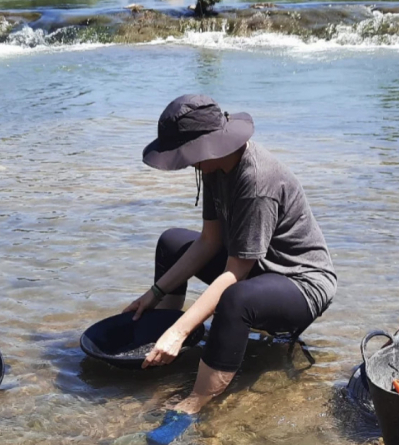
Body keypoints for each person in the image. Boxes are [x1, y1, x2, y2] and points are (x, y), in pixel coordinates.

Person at [125, 94, 337, 445]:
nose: (185, 165)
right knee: (172, 243)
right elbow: (209, 241)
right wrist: (154, 294)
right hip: (257, 268)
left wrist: (181, 330)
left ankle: (195, 402)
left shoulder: (256, 181)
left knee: (236, 300)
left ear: (205, 146)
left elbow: (234, 273)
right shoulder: (213, 167)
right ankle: (161, 350)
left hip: (300, 282)